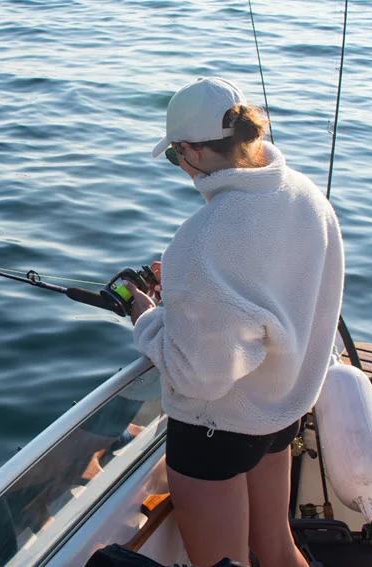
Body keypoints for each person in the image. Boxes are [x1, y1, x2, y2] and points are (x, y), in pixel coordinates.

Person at [125, 77, 345, 567]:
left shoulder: (201, 240)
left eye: (173, 157)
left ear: (192, 153)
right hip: (281, 414)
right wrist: (189, 296)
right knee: (277, 547)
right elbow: (274, 295)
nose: (179, 167)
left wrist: (148, 318)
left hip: (214, 431)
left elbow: (197, 375)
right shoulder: (307, 196)